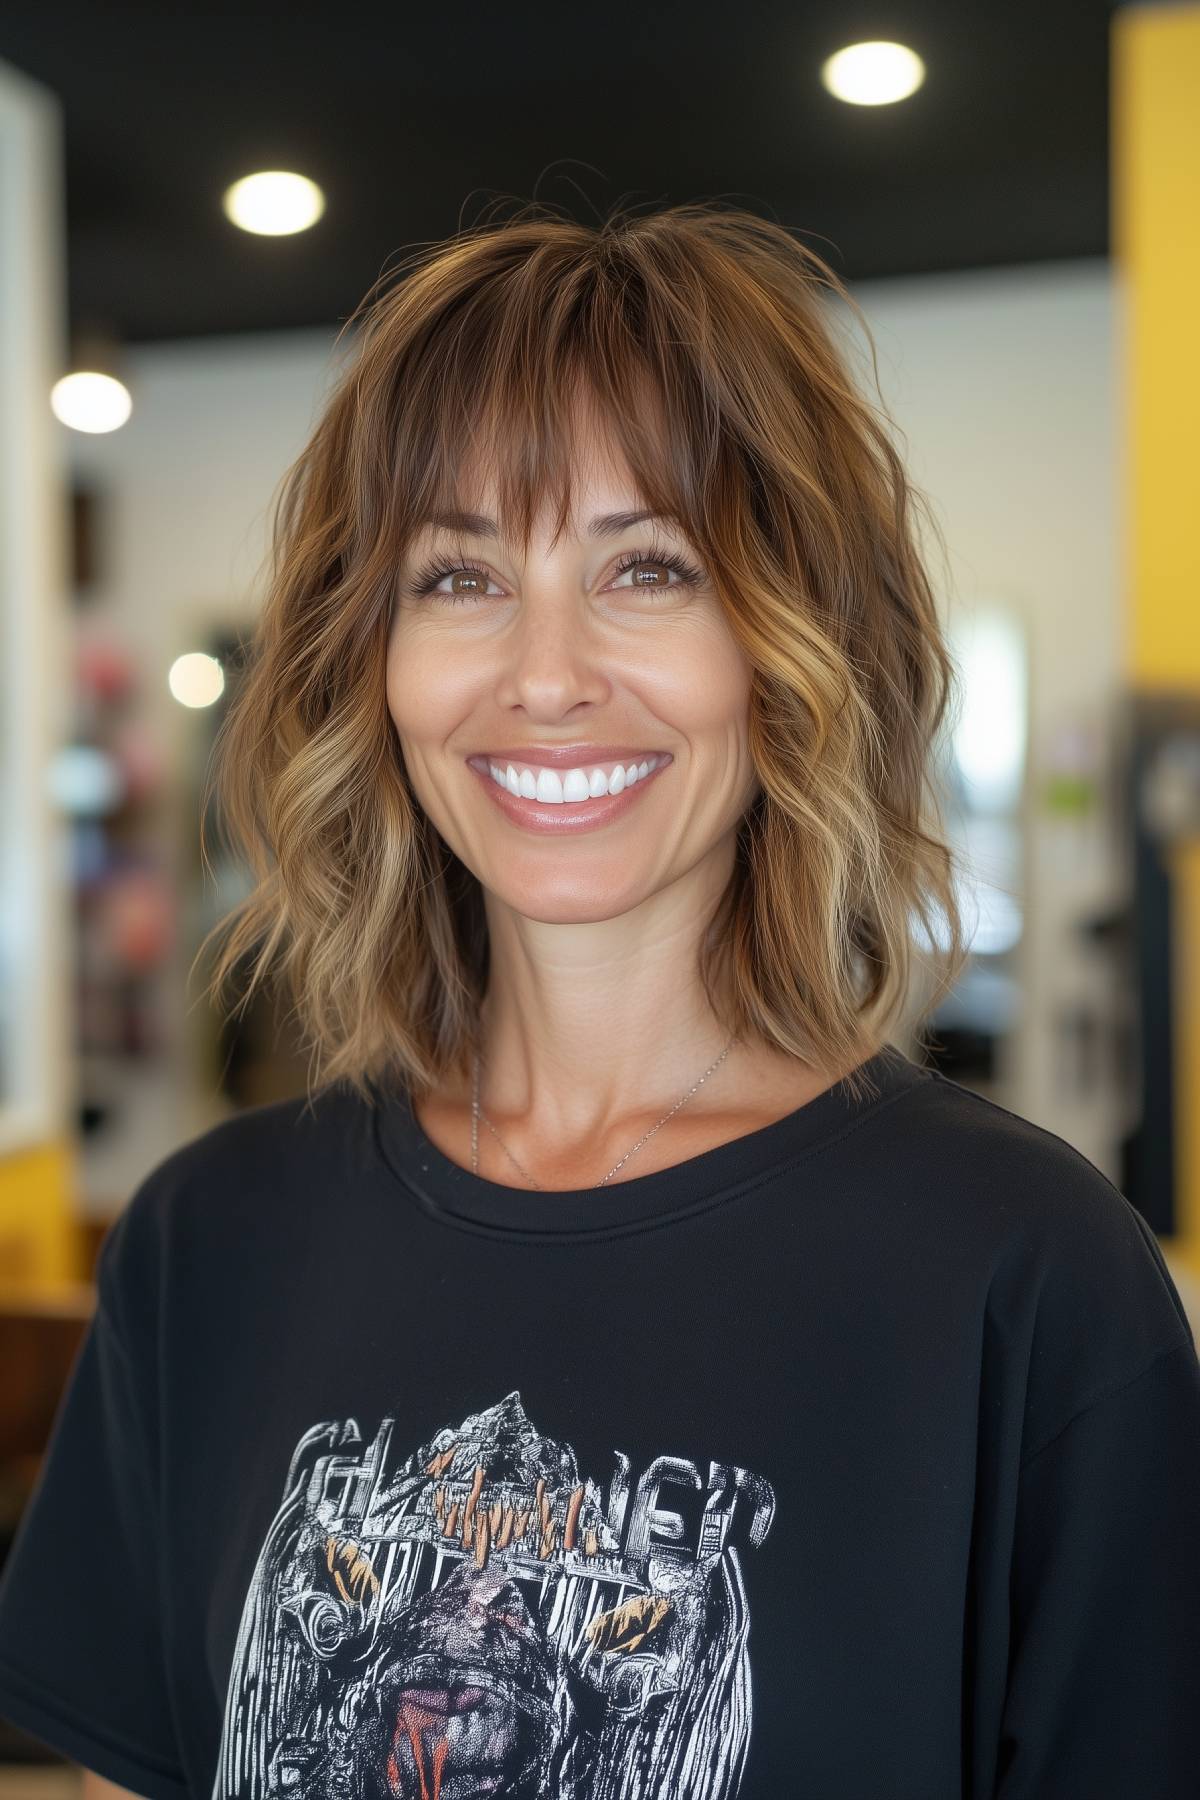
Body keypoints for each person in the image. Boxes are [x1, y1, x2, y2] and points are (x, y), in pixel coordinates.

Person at [0, 201, 1197, 1800]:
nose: (545, 674)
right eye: (457, 575)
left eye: (646, 566)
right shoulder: (209, 1241)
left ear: (790, 642)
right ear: (373, 659)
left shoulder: (1029, 1281)